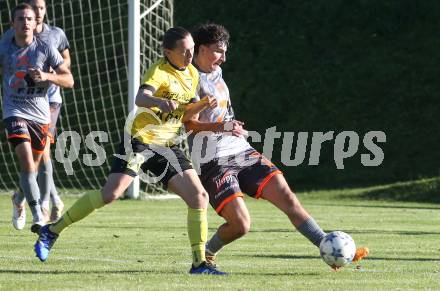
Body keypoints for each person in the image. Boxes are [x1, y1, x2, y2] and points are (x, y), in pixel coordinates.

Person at [34, 27, 227, 275]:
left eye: (191, 50)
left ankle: (200, 263)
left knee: (199, 197)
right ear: (168, 52)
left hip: (166, 146)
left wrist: (200, 104)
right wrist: (158, 101)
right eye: (184, 51)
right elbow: (141, 97)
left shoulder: (191, 73)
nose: (190, 56)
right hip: (139, 141)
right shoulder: (159, 72)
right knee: (110, 194)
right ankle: (52, 230)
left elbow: (185, 116)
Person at [185, 23, 369, 269]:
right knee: (241, 225)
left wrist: (232, 128)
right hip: (212, 161)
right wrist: (222, 128)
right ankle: (207, 252)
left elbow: (222, 112)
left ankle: (327, 245)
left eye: (225, 51)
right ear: (202, 49)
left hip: (241, 150)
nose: (224, 57)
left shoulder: (216, 72)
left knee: (289, 199)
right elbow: (189, 124)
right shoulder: (188, 79)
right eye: (219, 51)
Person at [0, 3, 74, 233]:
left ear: (35, 23)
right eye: (20, 19)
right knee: (26, 160)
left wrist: (47, 76)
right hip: (14, 111)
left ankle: (18, 199)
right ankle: (38, 215)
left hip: (41, 114)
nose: (25, 22)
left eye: (29, 19)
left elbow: (69, 80)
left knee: (34, 165)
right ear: (13, 24)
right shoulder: (3, 48)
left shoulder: (46, 47)